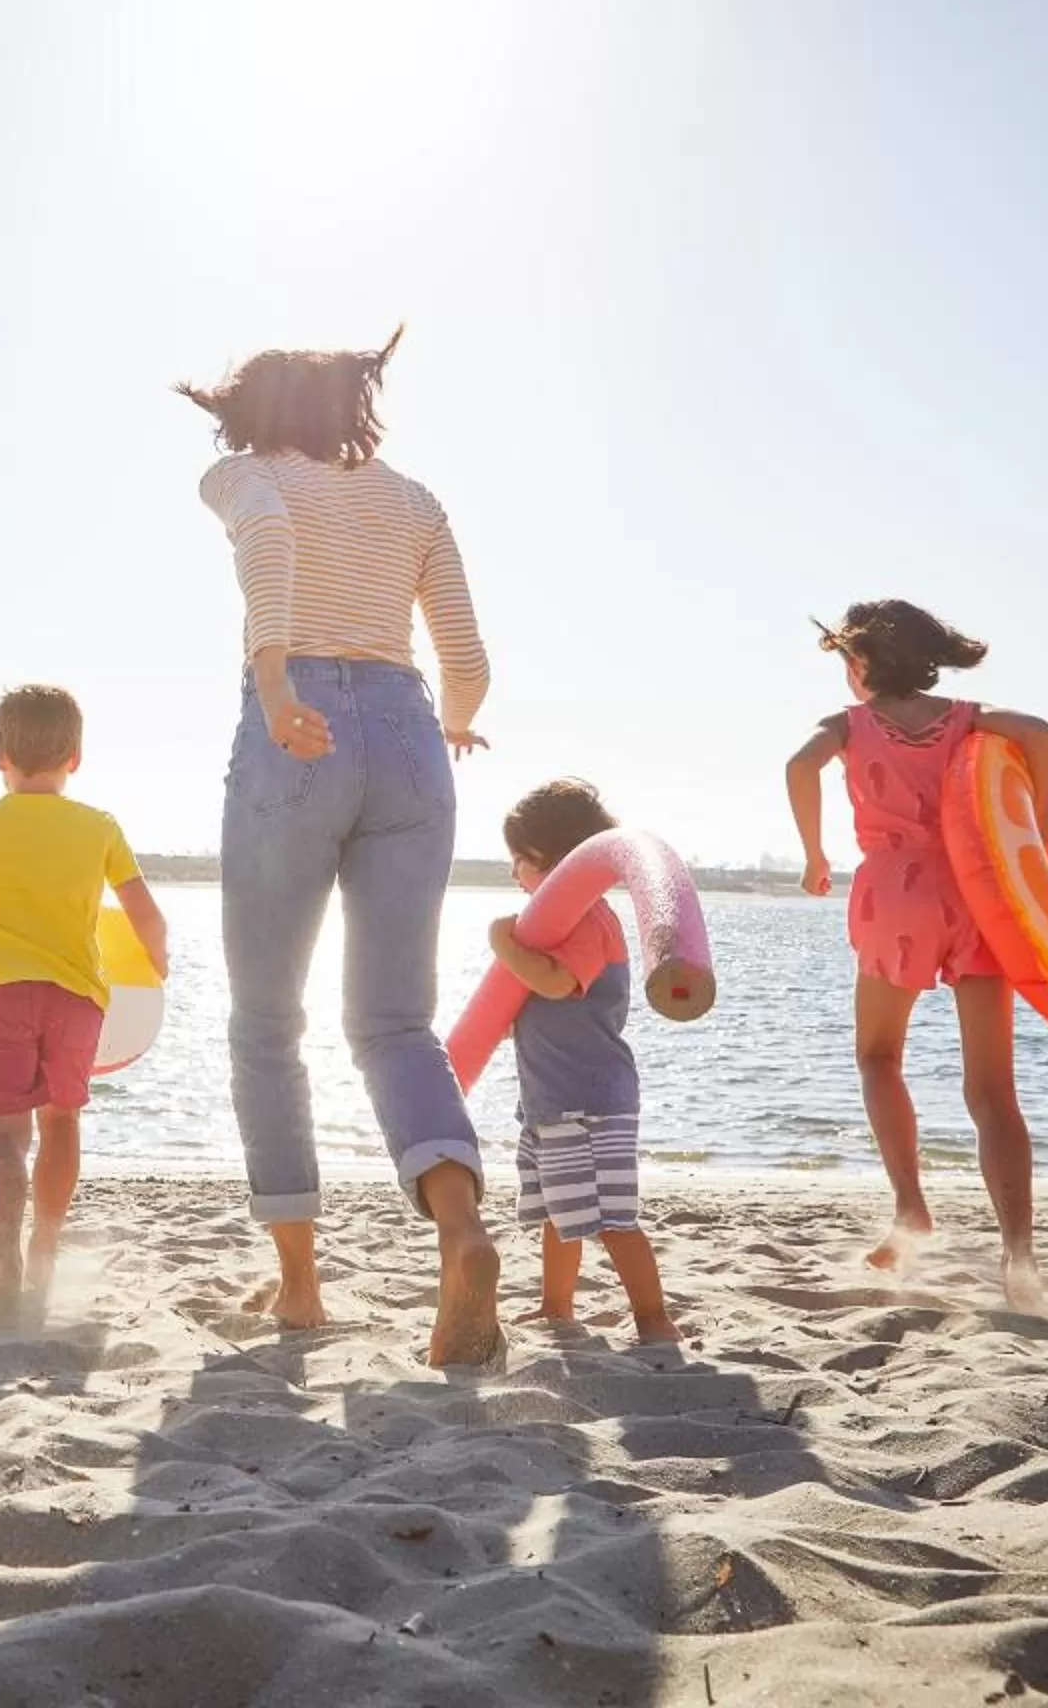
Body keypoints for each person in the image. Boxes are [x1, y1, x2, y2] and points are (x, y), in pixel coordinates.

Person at [183, 329, 501, 1365]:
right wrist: (452, 718)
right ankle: (458, 1232)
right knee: (397, 1023)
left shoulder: (241, 474)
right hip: (413, 733)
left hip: (299, 723)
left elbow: (270, 542)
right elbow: (466, 651)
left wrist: (277, 686)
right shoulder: (413, 499)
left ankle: (301, 1284)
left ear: (249, 410)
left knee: (267, 1022)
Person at [786, 598, 1048, 1309]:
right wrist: (1043, 826)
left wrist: (814, 854)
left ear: (864, 663)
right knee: (993, 1092)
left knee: (879, 1057)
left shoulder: (850, 726)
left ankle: (911, 1205)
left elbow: (798, 765)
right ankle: (1020, 1257)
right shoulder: (966, 717)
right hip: (976, 893)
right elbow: (1039, 730)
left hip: (894, 893)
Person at [0, 684, 170, 1330]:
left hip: (0, 995)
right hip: (76, 997)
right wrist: (159, 964)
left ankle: (3, 1266)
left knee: (5, 1137)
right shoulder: (99, 827)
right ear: (76, 757)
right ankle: (44, 1253)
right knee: (61, 1122)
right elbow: (147, 916)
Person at [485, 779, 679, 1346]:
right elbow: (541, 1004)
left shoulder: (591, 920)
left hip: (592, 1101)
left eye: (519, 860)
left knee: (613, 1219)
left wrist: (502, 944)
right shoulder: (553, 928)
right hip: (549, 1102)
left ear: (552, 863)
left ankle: (653, 1318)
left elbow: (555, 981)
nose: (513, 872)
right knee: (557, 1211)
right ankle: (557, 1307)